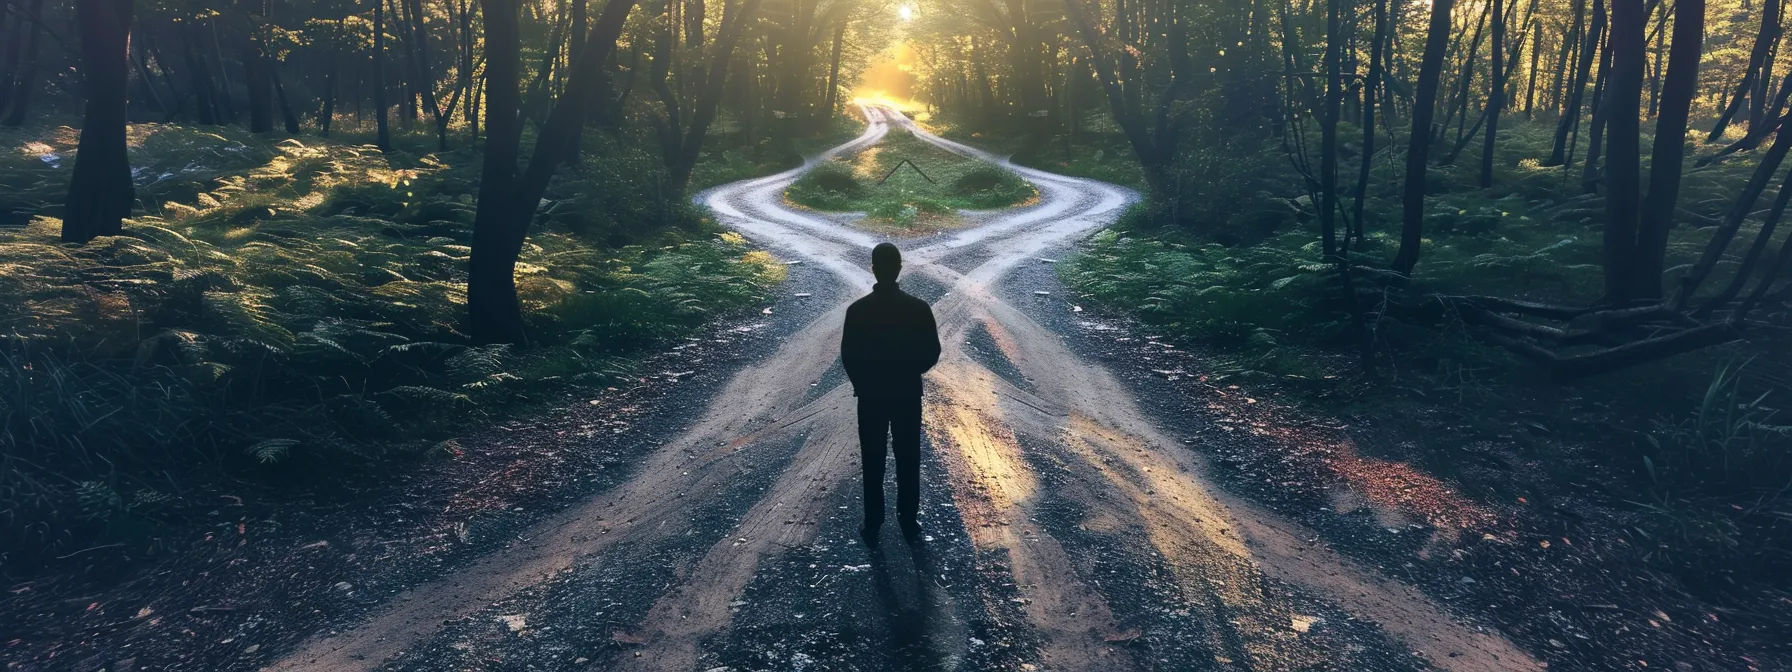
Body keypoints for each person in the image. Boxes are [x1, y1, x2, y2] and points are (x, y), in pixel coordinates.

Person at [840, 242, 941, 546]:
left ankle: (873, 520)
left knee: (873, 457)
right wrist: (910, 371)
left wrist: (862, 382)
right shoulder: (918, 308)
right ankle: (908, 520)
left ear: (873, 268)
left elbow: (848, 355)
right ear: (899, 268)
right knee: (908, 457)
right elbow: (932, 351)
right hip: (907, 393)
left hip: (870, 395)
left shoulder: (857, 311)